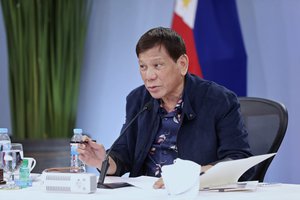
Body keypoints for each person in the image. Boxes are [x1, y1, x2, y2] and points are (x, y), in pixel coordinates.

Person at [78, 27, 254, 188]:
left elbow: (239, 161)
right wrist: (104, 161)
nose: (149, 76)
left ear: (182, 64)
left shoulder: (219, 100)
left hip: (195, 193)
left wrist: (194, 174)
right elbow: (125, 154)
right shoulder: (138, 99)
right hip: (147, 193)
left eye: (157, 66)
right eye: (143, 67)